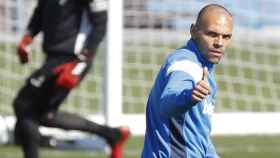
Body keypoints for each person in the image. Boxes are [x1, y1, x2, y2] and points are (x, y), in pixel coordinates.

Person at [13, 0, 130, 158]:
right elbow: (40, 13)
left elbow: (101, 21)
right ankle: (112, 135)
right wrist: (28, 37)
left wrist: (82, 60)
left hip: (71, 60)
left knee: (24, 105)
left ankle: (112, 135)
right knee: (44, 114)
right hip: (52, 58)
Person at [141, 4, 233, 158]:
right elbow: (167, 104)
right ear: (193, 31)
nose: (219, 43)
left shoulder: (204, 71)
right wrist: (188, 96)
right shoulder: (185, 63)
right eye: (211, 34)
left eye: (226, 36)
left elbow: (198, 135)